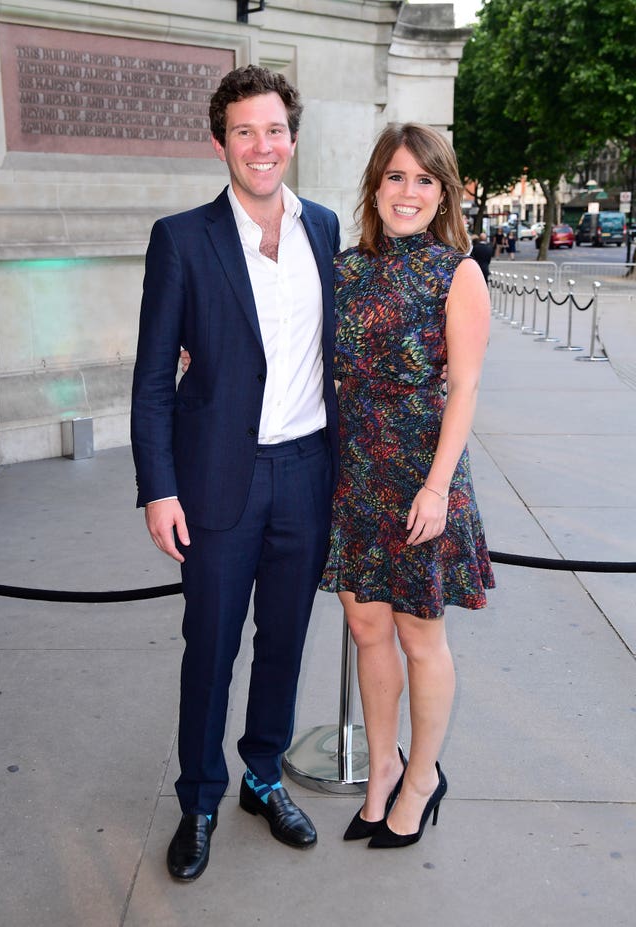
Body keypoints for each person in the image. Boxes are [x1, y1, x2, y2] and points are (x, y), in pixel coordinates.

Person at [130, 65, 340, 881]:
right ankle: (200, 800)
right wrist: (158, 486)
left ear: (293, 136)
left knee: (284, 643)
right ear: (219, 140)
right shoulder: (182, 238)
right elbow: (152, 378)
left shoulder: (324, 229)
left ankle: (262, 777)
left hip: (308, 470)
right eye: (245, 131)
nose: (263, 146)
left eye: (276, 129)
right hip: (218, 481)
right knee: (210, 649)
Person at [319, 123, 495, 849]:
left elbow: (467, 388)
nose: (408, 192)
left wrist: (435, 486)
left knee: (421, 636)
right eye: (396, 176)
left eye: (424, 180)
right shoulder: (343, 269)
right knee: (366, 628)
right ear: (375, 186)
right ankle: (383, 766)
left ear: (444, 193)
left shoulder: (459, 273)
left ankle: (423, 775)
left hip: (423, 476)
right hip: (356, 473)